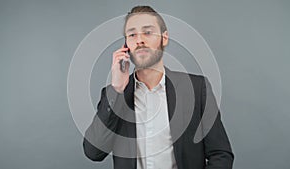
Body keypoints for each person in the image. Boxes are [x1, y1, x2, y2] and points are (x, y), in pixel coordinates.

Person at [83, 5, 234, 169]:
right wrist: (117, 89)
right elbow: (93, 152)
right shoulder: (114, 95)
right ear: (126, 45)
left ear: (164, 38)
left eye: (147, 32)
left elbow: (221, 155)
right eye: (132, 34)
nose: (140, 40)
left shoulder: (197, 89)